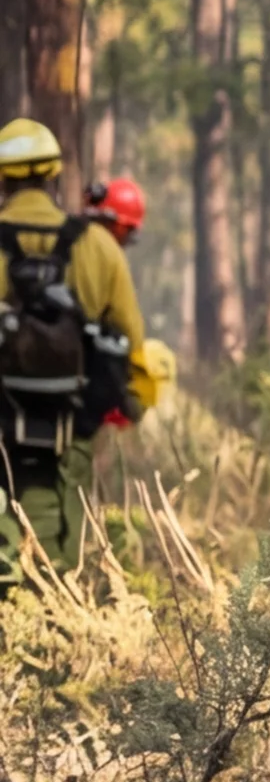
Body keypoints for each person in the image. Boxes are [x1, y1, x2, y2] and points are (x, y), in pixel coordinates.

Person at [0, 122, 137, 563]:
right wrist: (124, 403)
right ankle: (62, 586)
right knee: (67, 512)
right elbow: (131, 339)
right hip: (74, 418)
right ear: (54, 176)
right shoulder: (98, 246)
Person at [86, 177, 172, 429]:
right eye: (127, 231)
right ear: (117, 224)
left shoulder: (68, 237)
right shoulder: (108, 254)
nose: (125, 240)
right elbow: (130, 328)